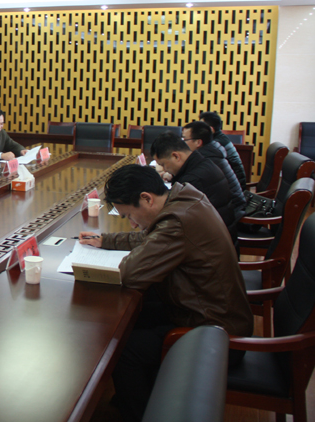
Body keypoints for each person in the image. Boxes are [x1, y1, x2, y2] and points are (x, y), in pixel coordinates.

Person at [79, 165, 253, 422]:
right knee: (131, 321)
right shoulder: (184, 199)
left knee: (122, 348)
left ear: (146, 198)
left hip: (212, 335)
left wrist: (126, 254)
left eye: (129, 215)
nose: (132, 224)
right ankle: (136, 394)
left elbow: (130, 273)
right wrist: (106, 240)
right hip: (211, 315)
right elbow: (152, 238)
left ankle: (140, 413)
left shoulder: (177, 222)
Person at [150, 132, 237, 233]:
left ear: (176, 156)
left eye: (163, 164)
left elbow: (176, 219)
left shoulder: (192, 180)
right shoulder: (203, 163)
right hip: (222, 232)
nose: (164, 169)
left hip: (212, 238)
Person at [182, 120, 246, 221]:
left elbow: (188, 182)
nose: (182, 143)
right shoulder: (212, 150)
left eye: (185, 139)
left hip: (230, 213)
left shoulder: (207, 159)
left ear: (198, 142)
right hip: (230, 206)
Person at [200, 111, 247, 191]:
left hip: (233, 189)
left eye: (201, 127)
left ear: (211, 129)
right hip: (231, 184)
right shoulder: (221, 138)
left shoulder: (216, 144)